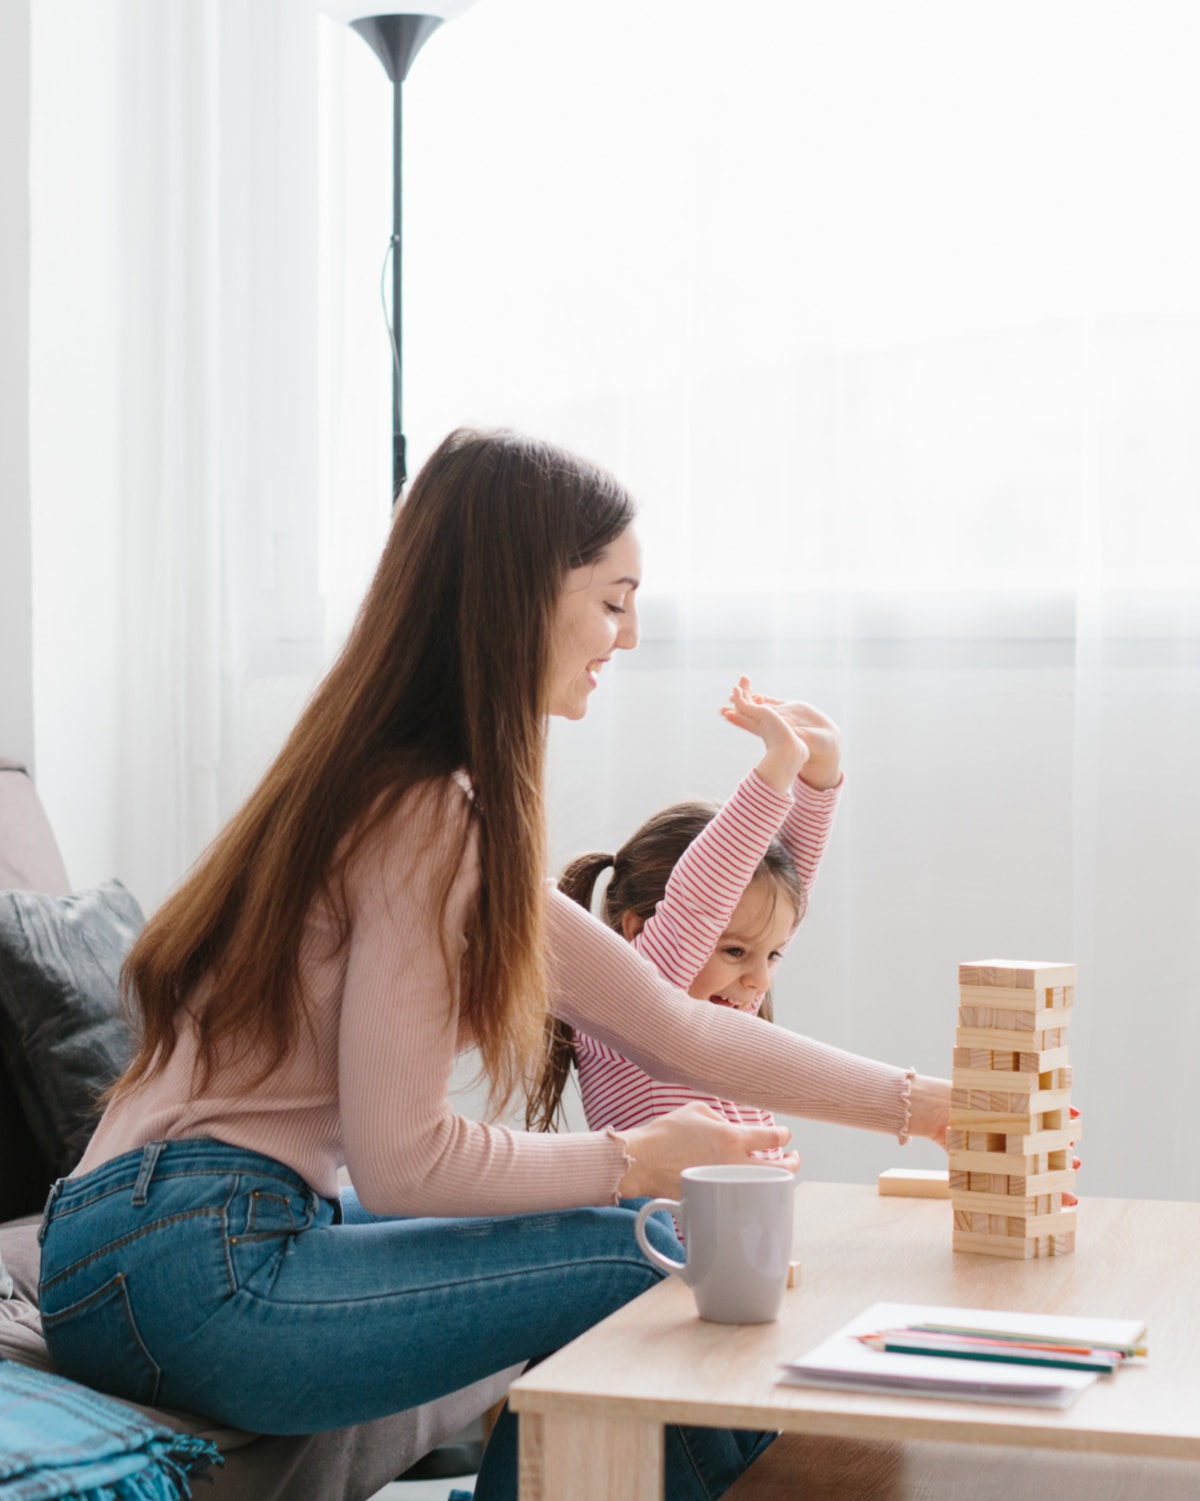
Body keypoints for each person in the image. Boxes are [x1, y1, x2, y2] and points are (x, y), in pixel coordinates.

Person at [37, 429, 950, 1501]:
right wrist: (635, 1155)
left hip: (133, 1243)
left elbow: (677, 1023)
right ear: (522, 592)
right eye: (613, 600)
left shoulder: (398, 786)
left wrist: (936, 1106)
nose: (630, 633)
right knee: (654, 1249)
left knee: (644, 1231)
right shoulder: (429, 814)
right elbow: (406, 1161)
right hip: (194, 1264)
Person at [526, 677, 842, 1153]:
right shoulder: (623, 1014)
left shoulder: (721, 1005)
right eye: (735, 951)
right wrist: (777, 768)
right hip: (655, 1230)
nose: (760, 980)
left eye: (772, 955)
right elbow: (702, 901)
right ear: (638, 931)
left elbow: (782, 898)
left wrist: (821, 770)